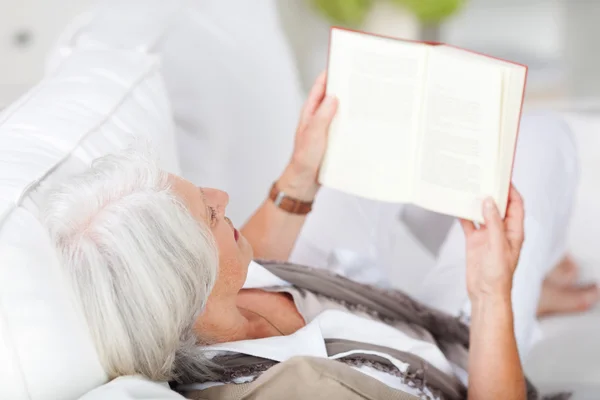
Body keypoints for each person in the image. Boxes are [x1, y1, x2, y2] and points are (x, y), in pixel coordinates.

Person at [42, 73, 582, 399]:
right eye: (209, 215)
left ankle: (532, 277)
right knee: (540, 142)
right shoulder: (304, 390)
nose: (222, 197)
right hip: (462, 361)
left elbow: (251, 257)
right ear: (190, 282)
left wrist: (301, 170)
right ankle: (526, 293)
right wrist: (494, 295)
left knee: (354, 144)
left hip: (372, 307)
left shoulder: (207, 306)